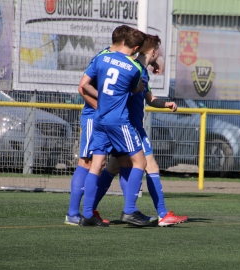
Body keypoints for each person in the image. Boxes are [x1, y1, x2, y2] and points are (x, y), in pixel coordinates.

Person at [93, 34, 188, 226]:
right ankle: (161, 214)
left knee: (113, 167)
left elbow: (149, 98)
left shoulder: (136, 69)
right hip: (130, 126)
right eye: (157, 53)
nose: (157, 56)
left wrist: (166, 103)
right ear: (152, 52)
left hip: (117, 124)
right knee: (149, 165)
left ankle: (90, 210)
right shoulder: (136, 70)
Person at [64, 25, 137, 226]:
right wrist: (102, 107)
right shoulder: (104, 56)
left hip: (110, 119)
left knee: (119, 163)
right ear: (124, 42)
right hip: (94, 116)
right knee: (87, 162)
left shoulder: (119, 59)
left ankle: (129, 209)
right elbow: (82, 87)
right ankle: (73, 214)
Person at [79, 27, 151, 227]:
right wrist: (138, 88)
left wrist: (103, 98)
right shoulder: (134, 67)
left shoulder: (102, 58)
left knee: (96, 165)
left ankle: (87, 214)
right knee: (140, 163)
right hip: (119, 121)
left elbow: (84, 85)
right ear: (136, 48)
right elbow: (135, 89)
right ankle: (129, 211)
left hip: (99, 119)